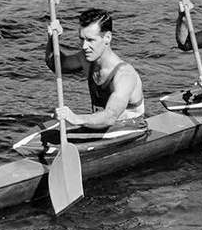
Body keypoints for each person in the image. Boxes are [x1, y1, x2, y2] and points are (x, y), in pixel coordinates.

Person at [45, 8, 146, 137]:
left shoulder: (124, 75)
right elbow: (55, 64)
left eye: (90, 40)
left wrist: (76, 119)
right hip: (102, 129)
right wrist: (52, 40)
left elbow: (110, 116)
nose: (84, 46)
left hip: (131, 130)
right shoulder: (86, 59)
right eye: (82, 39)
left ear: (107, 38)